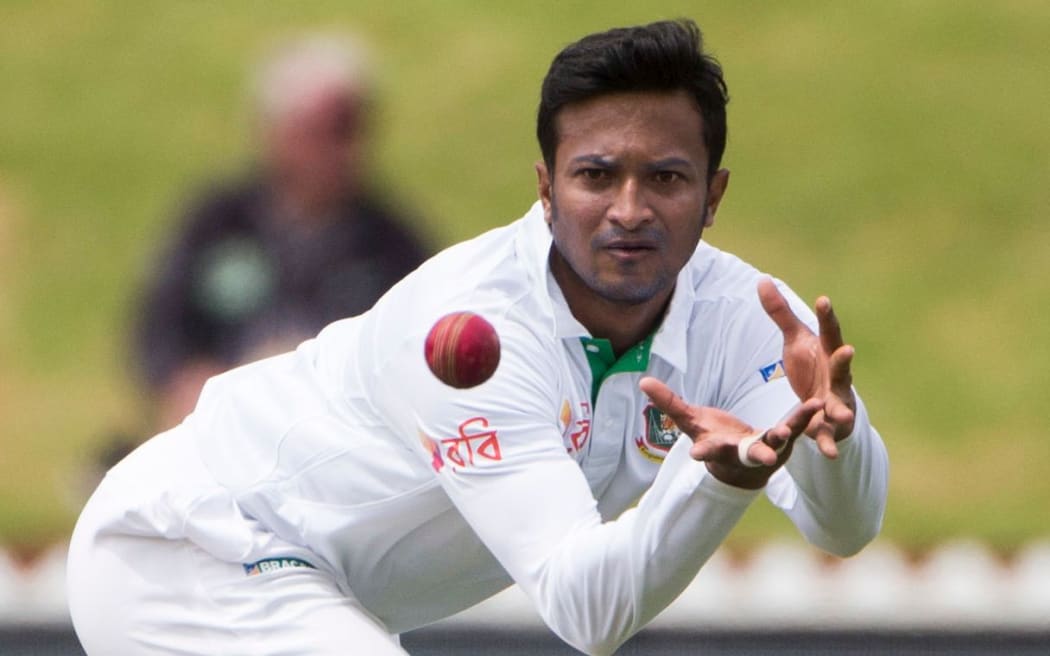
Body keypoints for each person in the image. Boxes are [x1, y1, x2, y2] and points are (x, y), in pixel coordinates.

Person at [68, 19, 889, 656]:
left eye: (667, 178)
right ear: (546, 189)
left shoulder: (753, 314)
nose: (630, 210)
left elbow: (845, 529)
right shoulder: (474, 328)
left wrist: (836, 444)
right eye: (596, 175)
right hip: (193, 549)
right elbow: (588, 610)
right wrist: (716, 483)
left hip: (320, 590)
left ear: (713, 196)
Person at [133, 34, 430, 430]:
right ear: (277, 131)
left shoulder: (391, 245)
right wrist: (185, 380)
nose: (342, 151)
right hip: (222, 425)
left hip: (338, 435)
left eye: (353, 131)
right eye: (325, 132)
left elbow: (420, 354)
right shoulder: (217, 223)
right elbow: (159, 329)